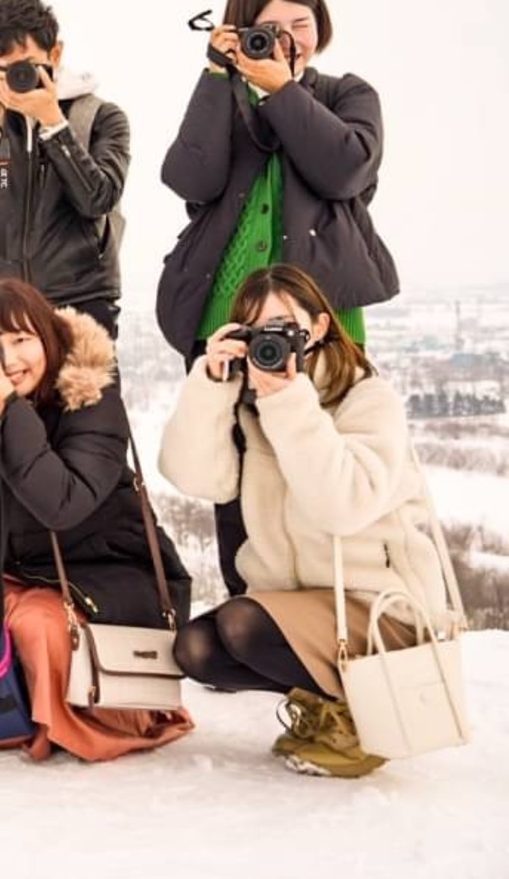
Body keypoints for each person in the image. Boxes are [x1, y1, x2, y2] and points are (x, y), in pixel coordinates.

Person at [154, 0, 398, 595]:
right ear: (237, 31)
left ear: (321, 26)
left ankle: (329, 617)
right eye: (267, 28)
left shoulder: (348, 95)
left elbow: (345, 170)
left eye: (302, 23)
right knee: (233, 471)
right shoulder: (223, 97)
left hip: (323, 320)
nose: (288, 37)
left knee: (322, 465)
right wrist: (218, 75)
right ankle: (250, 613)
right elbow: (191, 178)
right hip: (224, 316)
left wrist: (284, 91)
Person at [0, 279, 192, 760]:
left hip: (103, 572)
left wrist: (10, 411)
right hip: (8, 570)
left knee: (41, 621)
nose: (9, 358)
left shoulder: (90, 400)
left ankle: (64, 726)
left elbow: (61, 503)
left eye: (22, 340)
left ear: (49, 339)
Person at [159, 265, 451, 778]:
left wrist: (288, 401)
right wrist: (210, 385)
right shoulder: (249, 408)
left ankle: (356, 720)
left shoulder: (365, 396)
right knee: (197, 648)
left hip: (373, 608)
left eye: (282, 326)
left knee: (241, 625)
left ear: (317, 328)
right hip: (296, 609)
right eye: (254, 330)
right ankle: (326, 702)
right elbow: (198, 479)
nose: (268, 341)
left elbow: (343, 505)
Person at [0, 0, 131, 337]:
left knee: (89, 392)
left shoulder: (100, 118)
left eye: (25, 65)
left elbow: (98, 199)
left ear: (55, 53)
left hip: (82, 307)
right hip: (4, 309)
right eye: (2, 68)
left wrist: (54, 125)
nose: (17, 77)